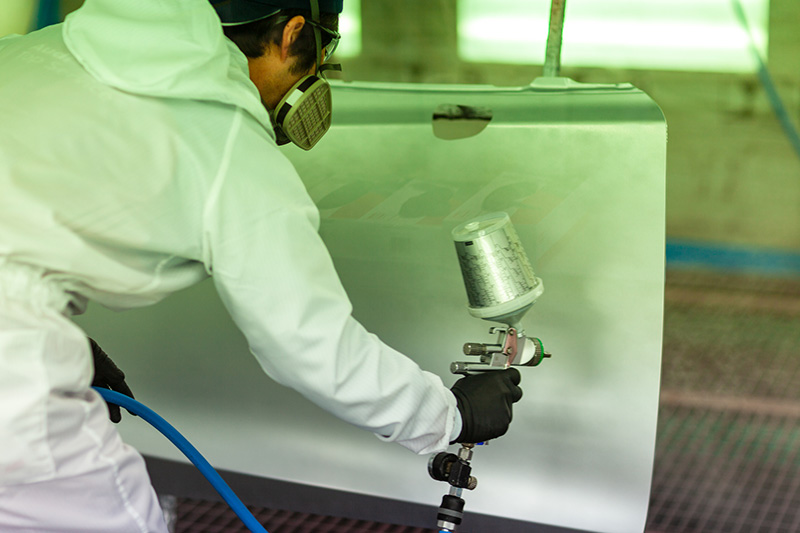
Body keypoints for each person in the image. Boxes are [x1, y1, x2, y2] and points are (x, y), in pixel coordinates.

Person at [0, 0, 523, 531]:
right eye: (323, 53)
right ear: (292, 34)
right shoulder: (224, 135)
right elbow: (309, 342)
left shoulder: (26, 55)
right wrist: (449, 415)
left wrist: (62, 330)